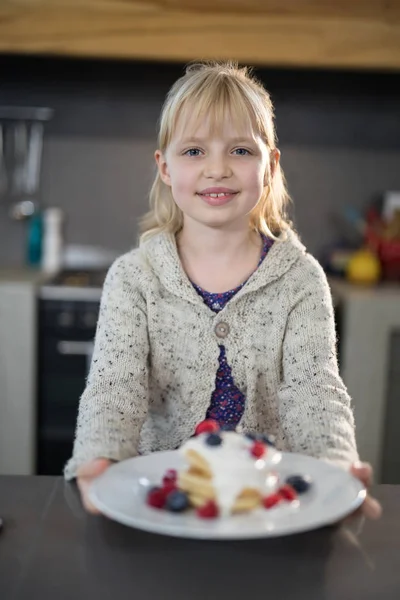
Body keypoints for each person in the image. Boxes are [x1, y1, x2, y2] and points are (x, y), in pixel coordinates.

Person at [65, 61, 381, 520]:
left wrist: (335, 468)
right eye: (194, 152)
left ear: (270, 165)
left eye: (239, 150)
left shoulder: (302, 279)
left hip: (267, 506)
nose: (217, 169)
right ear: (165, 167)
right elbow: (115, 389)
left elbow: (315, 392)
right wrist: (100, 459)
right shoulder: (133, 278)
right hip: (166, 502)